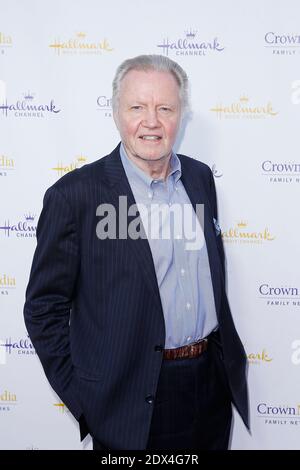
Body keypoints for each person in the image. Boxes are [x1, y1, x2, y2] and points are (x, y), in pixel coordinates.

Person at [24, 54, 249, 450]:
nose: (152, 121)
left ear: (181, 115)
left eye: (165, 108)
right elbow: (43, 308)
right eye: (137, 107)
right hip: (129, 401)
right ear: (115, 113)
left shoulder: (199, 178)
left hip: (210, 388)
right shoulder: (75, 196)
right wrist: (87, 401)